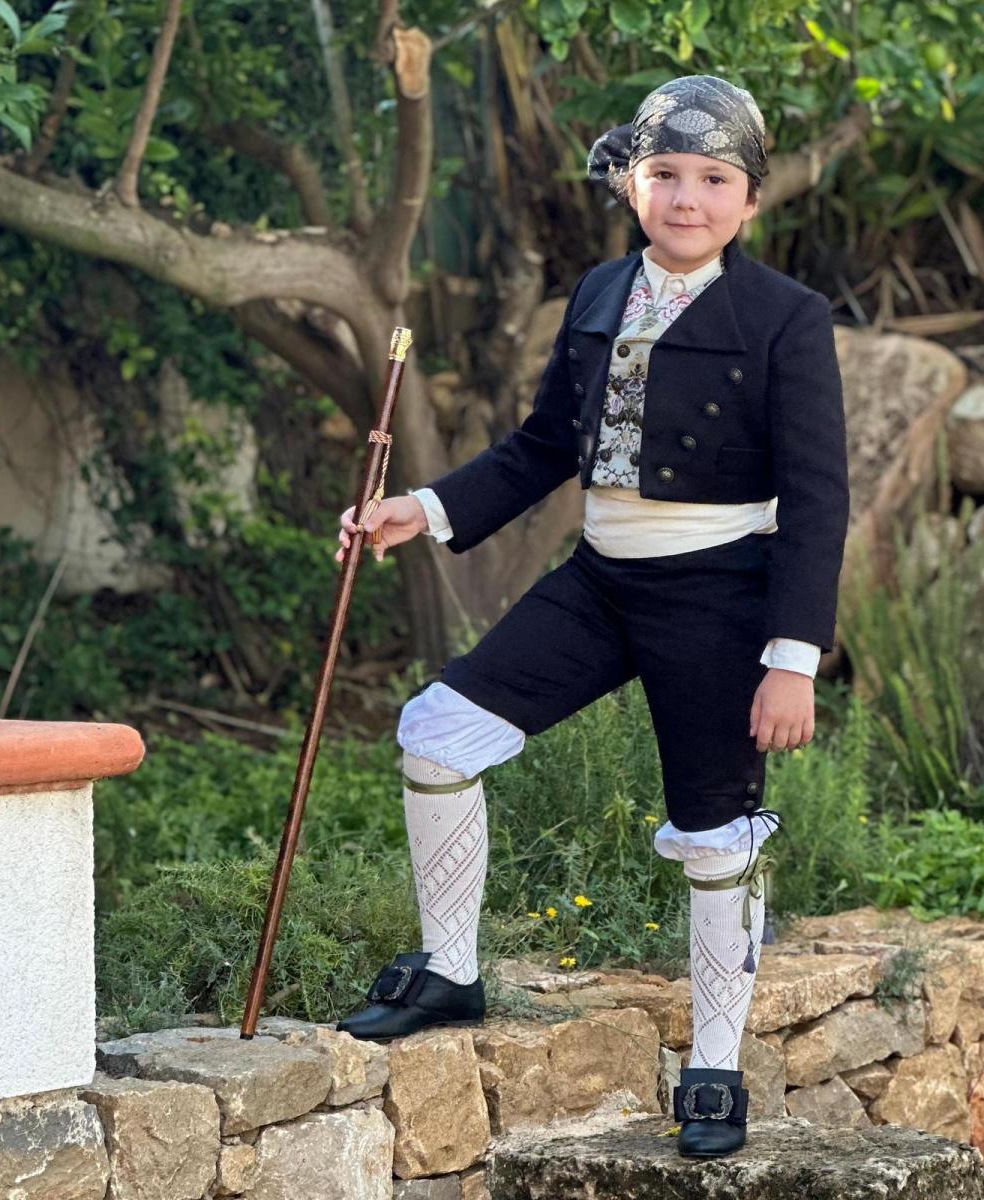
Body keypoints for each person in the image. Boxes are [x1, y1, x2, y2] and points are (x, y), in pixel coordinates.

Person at [333, 74, 849, 1159]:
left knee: (716, 837)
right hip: (601, 581)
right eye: (667, 174)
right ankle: (451, 970)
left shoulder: (788, 318)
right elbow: (541, 449)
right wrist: (422, 510)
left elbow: (818, 500)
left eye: (715, 180)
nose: (688, 199)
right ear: (631, 183)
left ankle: (715, 1067)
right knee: (436, 733)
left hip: (721, 596)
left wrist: (792, 658)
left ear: (751, 199)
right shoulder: (601, 290)